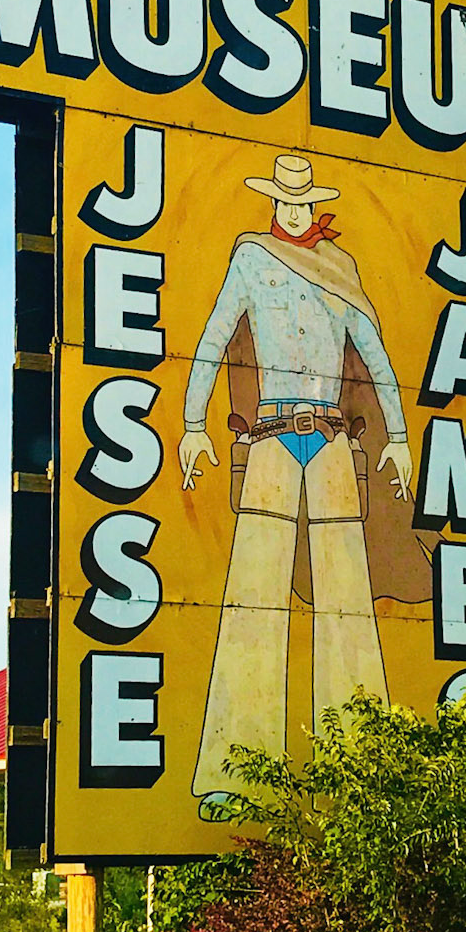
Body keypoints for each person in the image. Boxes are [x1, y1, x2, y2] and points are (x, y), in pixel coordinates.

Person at [180, 153, 416, 818]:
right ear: (272, 201)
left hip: (334, 438)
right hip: (273, 435)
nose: (292, 207)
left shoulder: (342, 269)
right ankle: (234, 771)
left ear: (314, 203)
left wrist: (398, 436)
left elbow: (374, 352)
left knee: (348, 603)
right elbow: (213, 336)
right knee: (252, 599)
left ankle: (365, 772)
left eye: (301, 198)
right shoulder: (251, 258)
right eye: (283, 197)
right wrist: (193, 422)